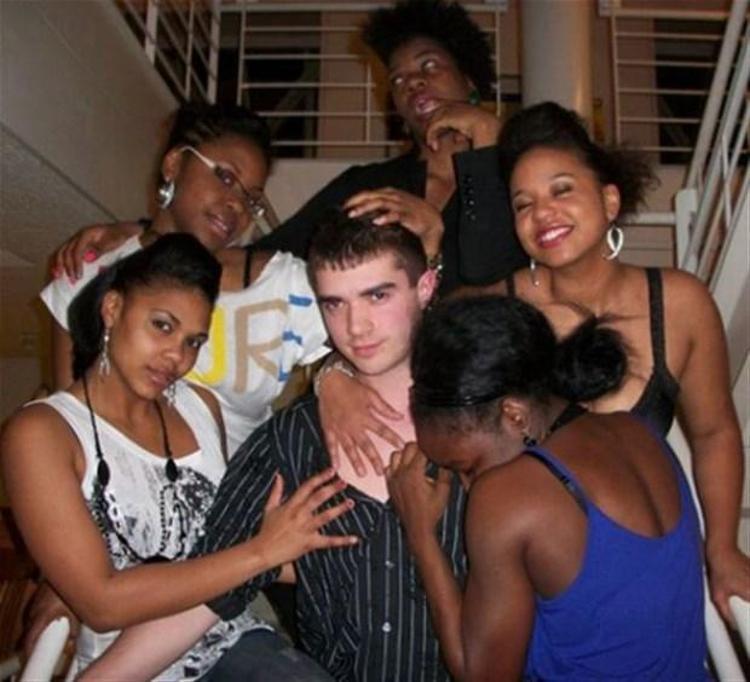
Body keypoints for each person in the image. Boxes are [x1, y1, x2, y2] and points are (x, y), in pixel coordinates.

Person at [71, 212, 467, 682]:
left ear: (425, 288)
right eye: (334, 304)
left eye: (377, 296)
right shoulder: (288, 440)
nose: (356, 326)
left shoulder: (487, 418)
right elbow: (209, 593)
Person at [1, 234, 356, 680]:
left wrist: (352, 556)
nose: (177, 356)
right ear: (112, 308)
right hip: (129, 665)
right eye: (162, 326)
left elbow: (231, 542)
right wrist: (262, 552)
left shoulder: (200, 406)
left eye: (193, 342)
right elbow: (102, 603)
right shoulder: (41, 433)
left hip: (232, 639)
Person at [474, 101, 747, 622]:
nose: (542, 214)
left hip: (648, 568)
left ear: (609, 199)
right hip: (533, 578)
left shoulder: (681, 303)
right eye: (523, 204)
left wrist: (723, 549)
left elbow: (715, 433)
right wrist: (337, 375)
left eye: (561, 190)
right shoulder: (499, 307)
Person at [387, 295, 710, 680]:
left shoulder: (509, 497)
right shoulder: (638, 430)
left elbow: (479, 676)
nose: (467, 487)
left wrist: (420, 533)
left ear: (514, 415)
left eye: (467, 468)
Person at [41, 102, 330, 455]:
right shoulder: (89, 272)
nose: (237, 205)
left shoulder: (282, 284)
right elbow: (70, 422)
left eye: (251, 198)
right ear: (174, 163)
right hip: (116, 479)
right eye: (225, 177)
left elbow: (366, 339)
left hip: (242, 485)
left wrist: (334, 382)